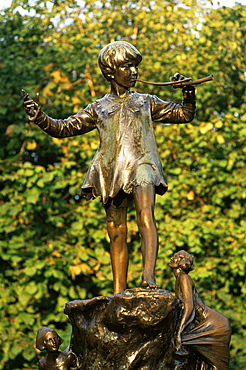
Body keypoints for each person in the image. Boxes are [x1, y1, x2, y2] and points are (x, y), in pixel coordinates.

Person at [23, 41, 196, 294]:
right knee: (116, 231)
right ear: (110, 72)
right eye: (128, 66)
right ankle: (118, 291)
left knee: (145, 213)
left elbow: (184, 114)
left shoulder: (146, 102)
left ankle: (148, 276)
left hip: (142, 165)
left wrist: (188, 94)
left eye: (135, 66)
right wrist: (40, 117)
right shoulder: (98, 108)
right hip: (111, 171)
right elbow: (63, 128)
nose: (134, 72)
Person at [169, 250, 231, 370]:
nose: (173, 258)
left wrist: (179, 332)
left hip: (214, 326)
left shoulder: (184, 278)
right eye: (175, 255)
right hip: (208, 323)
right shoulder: (180, 279)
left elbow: (189, 307)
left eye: (179, 257)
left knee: (217, 366)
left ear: (184, 263)